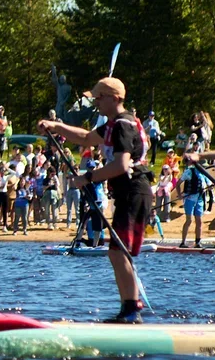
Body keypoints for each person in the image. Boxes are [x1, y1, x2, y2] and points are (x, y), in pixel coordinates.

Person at [38, 77, 155, 323]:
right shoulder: (114, 124)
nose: (96, 104)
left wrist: (88, 177)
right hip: (128, 193)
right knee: (117, 252)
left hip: (134, 190)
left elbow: (122, 165)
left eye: (99, 98)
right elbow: (85, 138)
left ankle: (132, 311)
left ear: (114, 98)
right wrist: (56, 126)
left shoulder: (123, 125)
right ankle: (130, 309)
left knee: (118, 251)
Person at [176, 163, 211, 248]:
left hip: (199, 199)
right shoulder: (189, 172)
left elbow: (209, 185)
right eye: (203, 166)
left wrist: (210, 187)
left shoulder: (204, 174)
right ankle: (183, 242)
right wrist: (179, 195)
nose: (204, 167)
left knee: (199, 221)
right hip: (189, 199)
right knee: (189, 220)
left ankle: (198, 242)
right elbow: (178, 184)